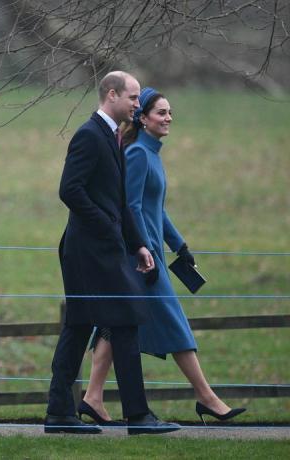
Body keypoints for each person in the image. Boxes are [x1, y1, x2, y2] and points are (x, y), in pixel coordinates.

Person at [78, 87, 246, 426]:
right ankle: (207, 397)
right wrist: (147, 252)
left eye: (170, 113)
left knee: (113, 324)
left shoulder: (151, 153)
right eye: (161, 113)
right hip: (142, 260)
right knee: (172, 322)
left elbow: (157, 209)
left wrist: (179, 246)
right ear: (143, 118)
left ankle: (93, 398)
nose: (168, 118)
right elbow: (132, 208)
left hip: (147, 255)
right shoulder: (139, 153)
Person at [44, 73, 182, 435]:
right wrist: (107, 226)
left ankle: (63, 413)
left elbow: (119, 200)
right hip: (86, 250)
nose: (138, 104)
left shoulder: (115, 137)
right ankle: (135, 416)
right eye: (134, 98)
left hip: (105, 249)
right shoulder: (90, 136)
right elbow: (69, 190)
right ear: (112, 95)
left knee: (88, 325)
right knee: (113, 321)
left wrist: (138, 244)